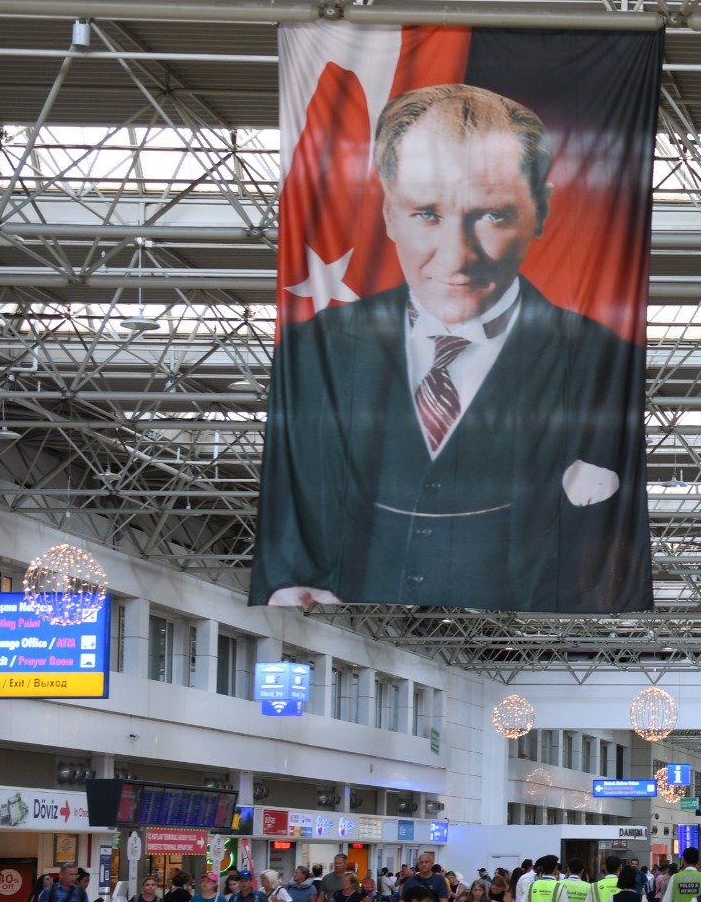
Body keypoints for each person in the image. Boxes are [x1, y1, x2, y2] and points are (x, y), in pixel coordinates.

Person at [252, 79, 652, 611]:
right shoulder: (311, 354)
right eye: (426, 213)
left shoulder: (605, 366)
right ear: (387, 212)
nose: (456, 258)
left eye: (492, 215)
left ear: (542, 210)